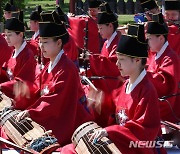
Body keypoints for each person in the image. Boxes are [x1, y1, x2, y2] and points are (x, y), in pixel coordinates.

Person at [60, 24, 161, 154]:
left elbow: (143, 130)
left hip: (136, 146)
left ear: (137, 60)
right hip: (120, 140)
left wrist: (110, 131)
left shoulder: (147, 91)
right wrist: (98, 102)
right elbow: (110, 106)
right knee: (69, 149)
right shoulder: (126, 85)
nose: (117, 64)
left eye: (122, 60)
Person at [14, 11, 93, 146]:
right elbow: (37, 88)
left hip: (70, 122)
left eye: (45, 42)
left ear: (58, 43)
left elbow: (56, 99)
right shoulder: (49, 65)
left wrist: (32, 112)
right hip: (53, 117)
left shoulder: (66, 68)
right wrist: (21, 92)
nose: (41, 46)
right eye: (40, 42)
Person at [146, 12, 180, 122]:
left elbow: (163, 84)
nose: (148, 42)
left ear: (161, 38)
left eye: (150, 38)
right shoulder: (155, 54)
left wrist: (140, 73)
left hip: (167, 110)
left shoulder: (170, 58)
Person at [0, 11, 37, 100]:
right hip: (13, 96)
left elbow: (22, 82)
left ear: (20, 34)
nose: (6, 38)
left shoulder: (27, 55)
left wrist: (2, 86)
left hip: (25, 99)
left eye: (10, 35)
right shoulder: (14, 51)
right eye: (5, 35)